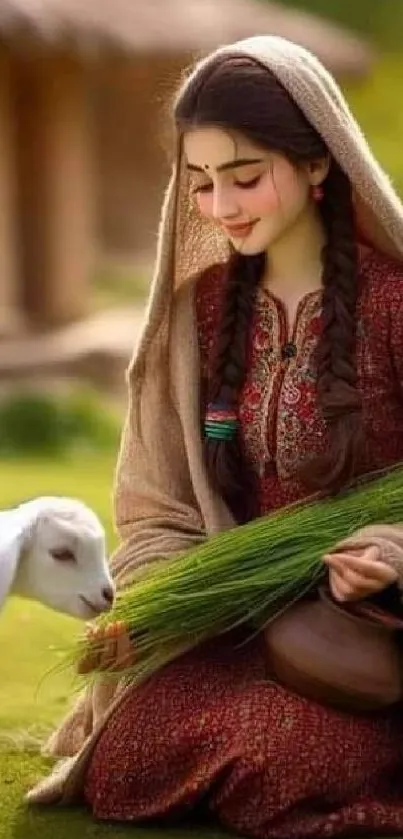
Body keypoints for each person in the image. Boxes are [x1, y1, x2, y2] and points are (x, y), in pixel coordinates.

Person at [28, 35, 403, 838]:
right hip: (240, 625)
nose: (221, 207)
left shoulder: (392, 304)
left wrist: (388, 555)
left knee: (283, 752)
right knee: (131, 752)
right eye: (198, 183)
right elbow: (157, 503)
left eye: (243, 177)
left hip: (365, 636)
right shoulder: (198, 316)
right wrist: (159, 604)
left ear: (316, 164)